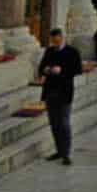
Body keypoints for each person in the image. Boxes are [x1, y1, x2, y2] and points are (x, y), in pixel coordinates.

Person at [37, 26, 82, 165]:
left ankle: (66, 153)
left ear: (62, 38)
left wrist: (61, 70)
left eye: (57, 40)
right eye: (53, 41)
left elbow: (77, 69)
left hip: (64, 91)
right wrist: (46, 70)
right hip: (50, 90)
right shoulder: (49, 51)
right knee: (54, 123)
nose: (55, 43)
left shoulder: (72, 52)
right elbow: (41, 67)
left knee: (64, 123)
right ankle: (59, 150)